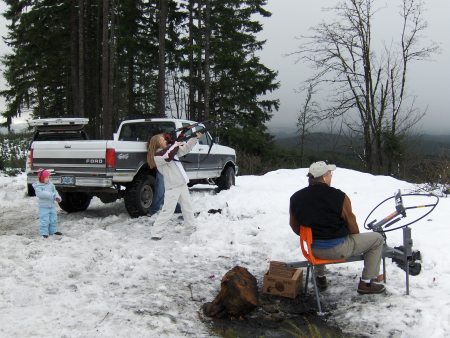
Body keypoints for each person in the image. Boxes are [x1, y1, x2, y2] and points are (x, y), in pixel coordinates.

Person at [289, 161, 385, 294]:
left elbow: (294, 226)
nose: (331, 176)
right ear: (324, 177)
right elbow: (352, 225)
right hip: (338, 250)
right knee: (377, 239)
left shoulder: (296, 198)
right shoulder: (339, 196)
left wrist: (313, 236)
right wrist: (353, 238)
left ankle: (319, 277)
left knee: (319, 236)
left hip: (312, 250)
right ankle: (367, 283)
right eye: (330, 174)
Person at [147, 132, 202, 238]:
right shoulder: (157, 156)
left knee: (187, 207)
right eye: (162, 140)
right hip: (172, 187)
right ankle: (156, 232)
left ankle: (190, 227)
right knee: (168, 211)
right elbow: (167, 156)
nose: (165, 141)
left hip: (181, 184)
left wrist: (194, 138)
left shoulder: (170, 149)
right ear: (157, 143)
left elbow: (185, 148)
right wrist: (176, 144)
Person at [32, 169, 63, 238]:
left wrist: (58, 197)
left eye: (49, 177)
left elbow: (55, 192)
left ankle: (53, 231)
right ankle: (44, 233)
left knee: (53, 219)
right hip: (43, 206)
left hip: (51, 206)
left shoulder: (51, 185)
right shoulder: (38, 186)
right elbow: (41, 194)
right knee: (44, 220)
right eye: (46, 178)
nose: (48, 179)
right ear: (42, 178)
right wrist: (52, 195)